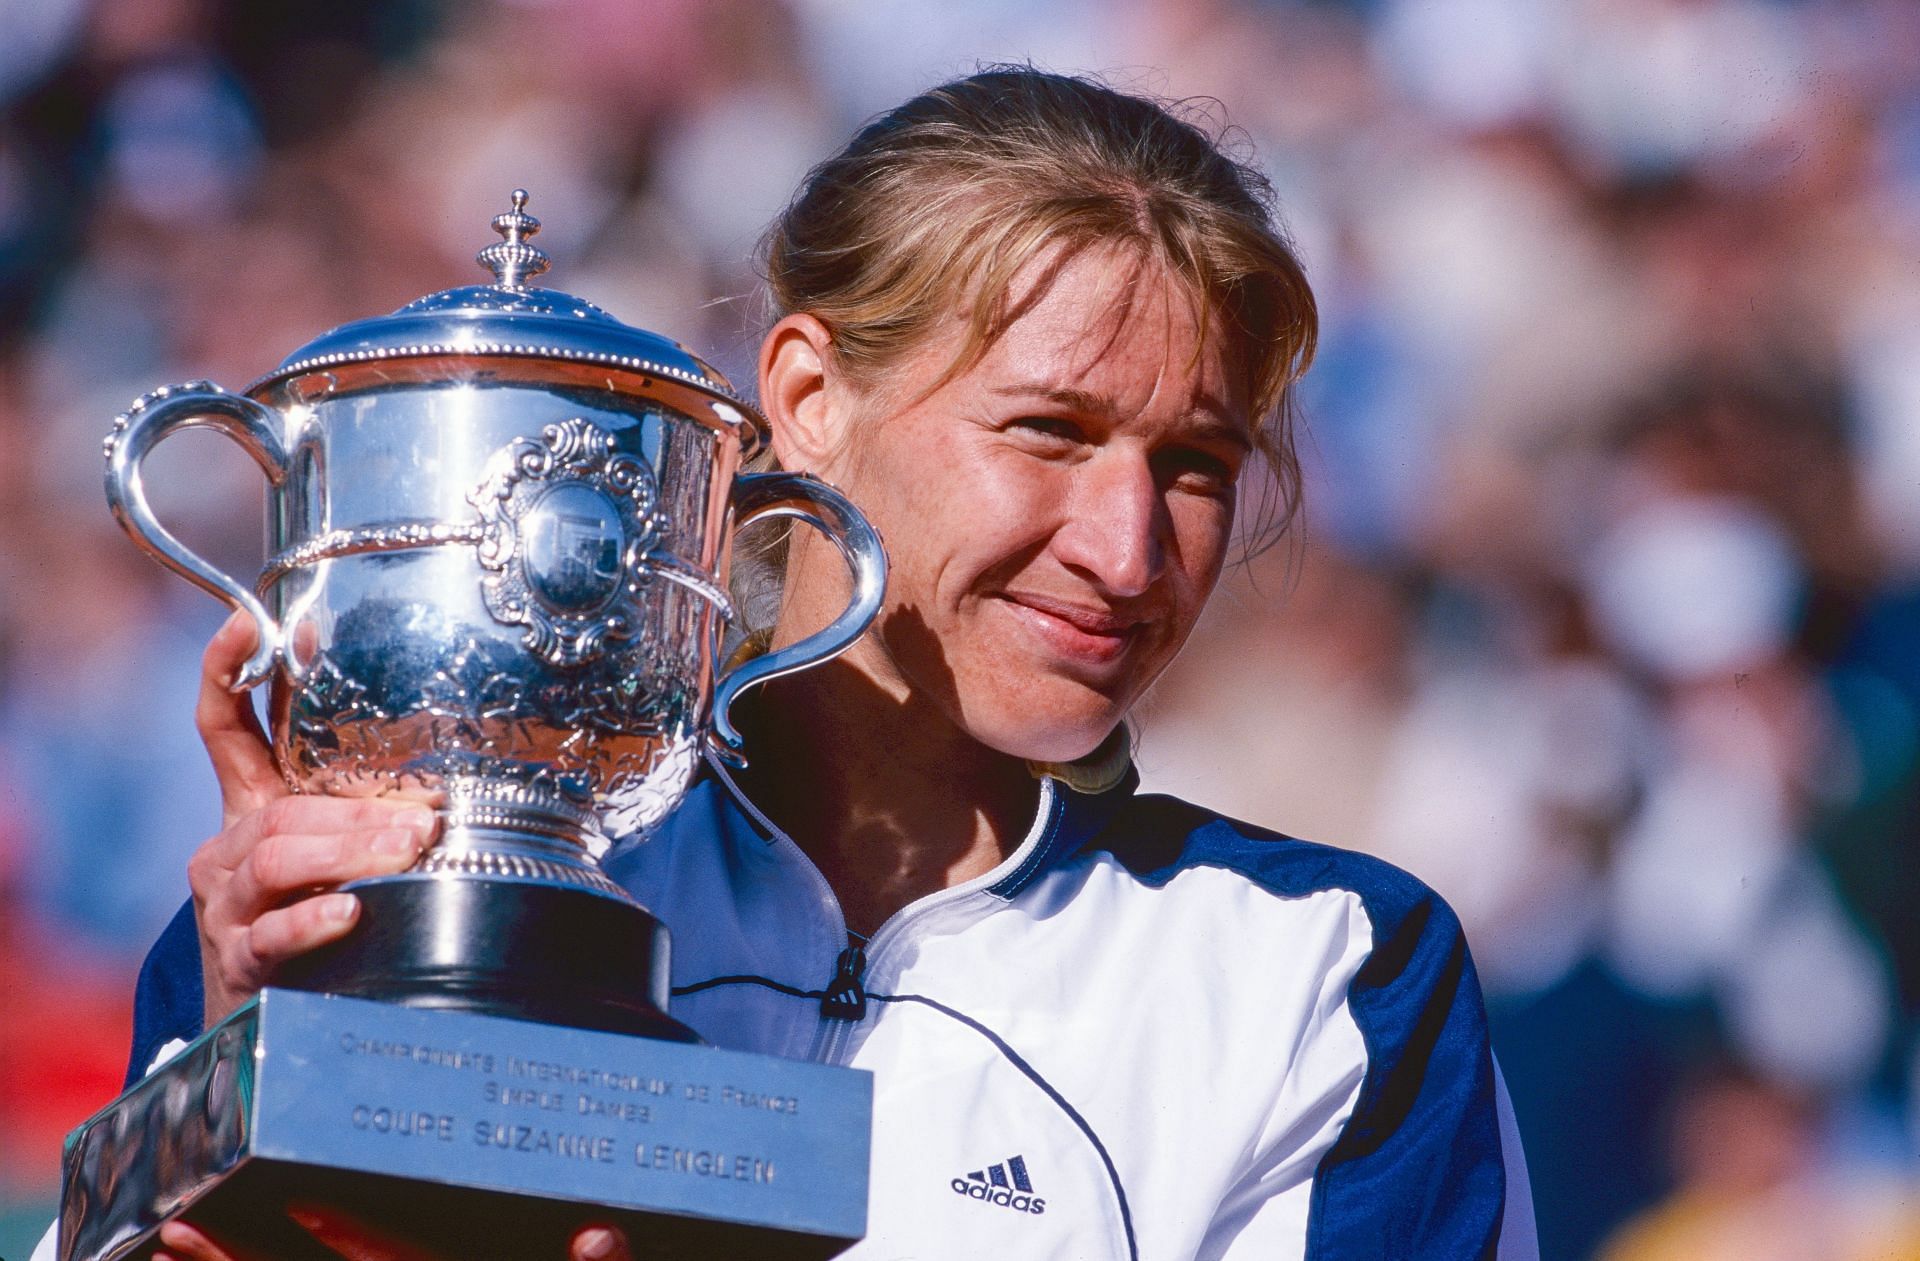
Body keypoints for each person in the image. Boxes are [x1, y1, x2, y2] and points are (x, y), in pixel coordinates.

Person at [52, 68, 1536, 1260]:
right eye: (1051, 431)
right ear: (812, 399)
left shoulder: (1328, 972)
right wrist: (269, 1046)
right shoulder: (361, 904)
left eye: (1197, 463)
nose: (1130, 549)